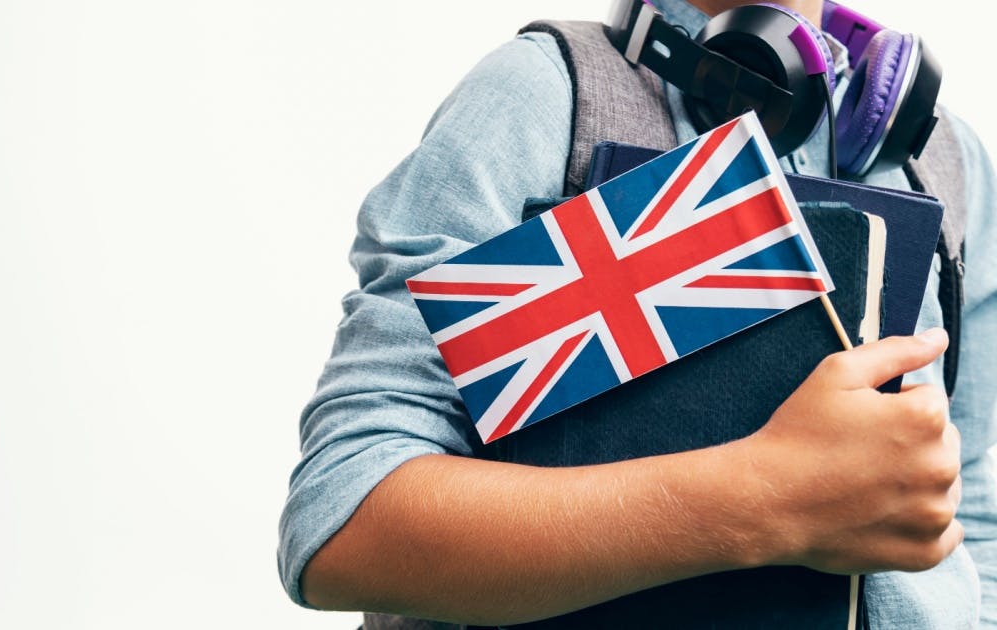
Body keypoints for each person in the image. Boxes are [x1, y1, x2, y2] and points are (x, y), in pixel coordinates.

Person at [279, 0, 997, 627]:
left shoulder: (949, 156)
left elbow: (969, 500)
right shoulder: (538, 98)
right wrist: (762, 499)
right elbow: (342, 520)